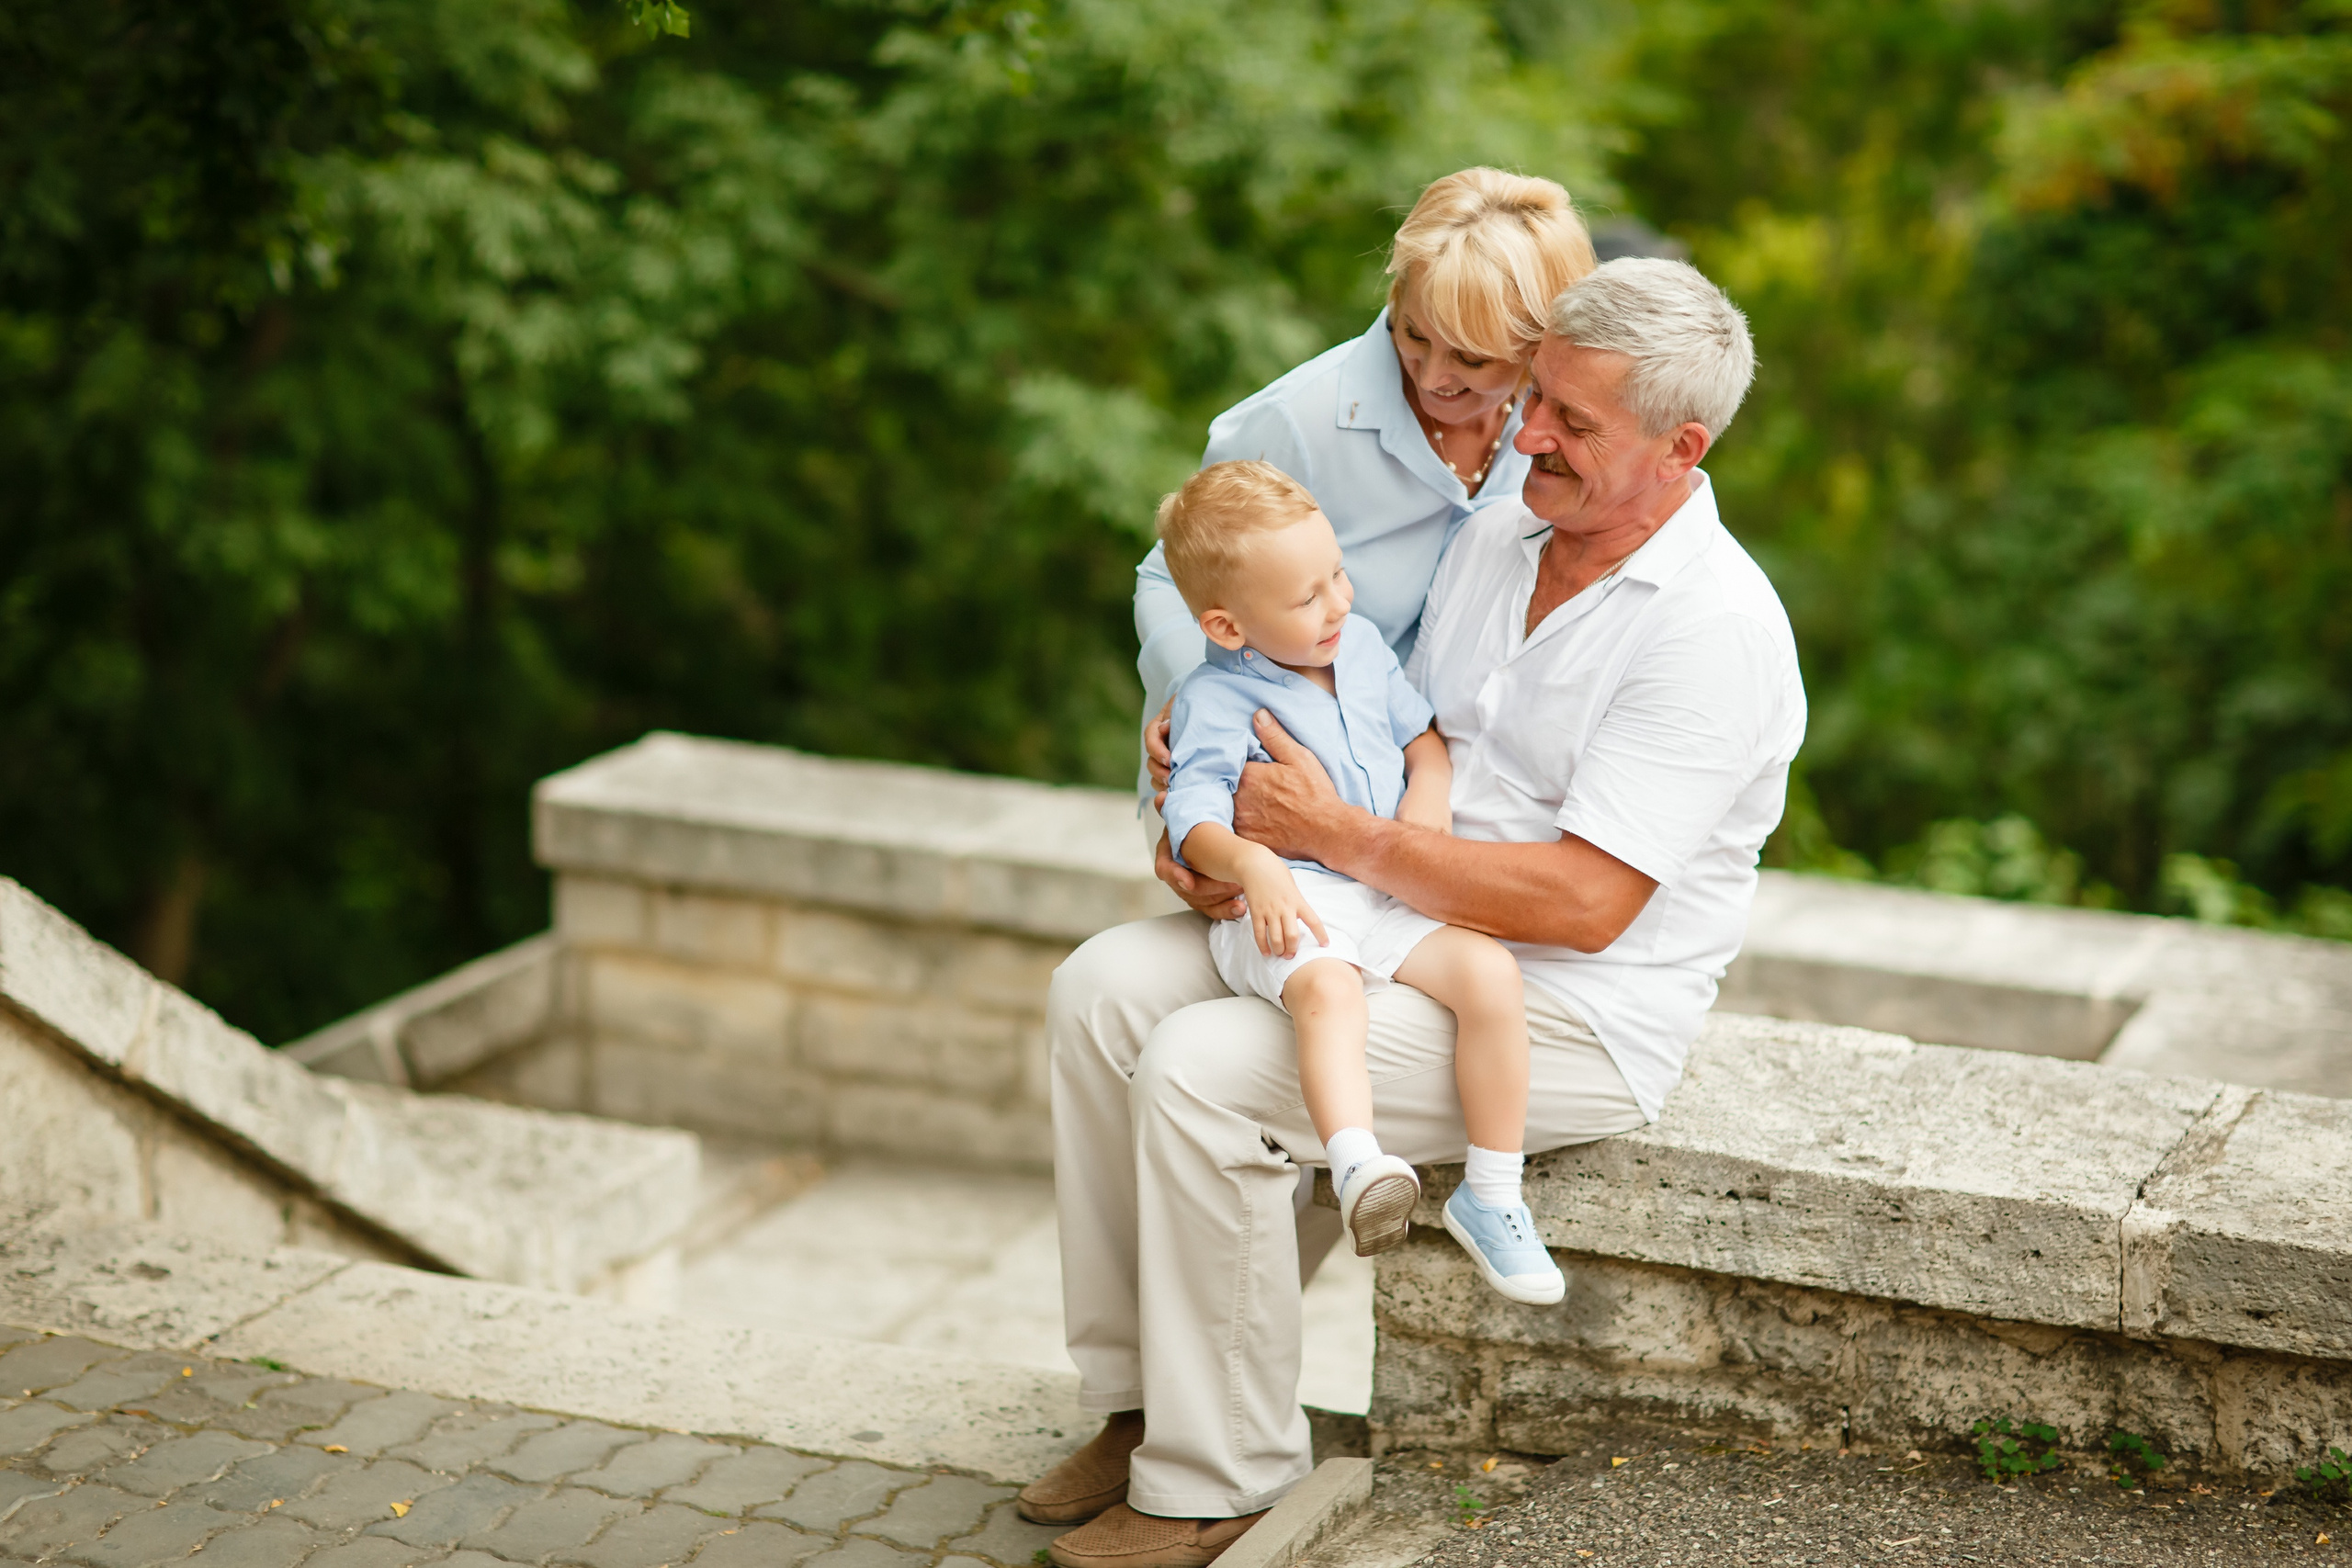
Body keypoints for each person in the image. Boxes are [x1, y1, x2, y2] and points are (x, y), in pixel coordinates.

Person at [1024, 256, 1804, 1568]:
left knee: (1203, 1067)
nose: (1523, 434)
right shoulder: (1505, 532)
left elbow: (1584, 904)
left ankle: (1221, 1476)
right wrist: (1220, 804)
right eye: (1534, 397)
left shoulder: (1713, 629)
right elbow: (1366, 710)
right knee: (1098, 989)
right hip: (1386, 919)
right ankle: (1144, 1399)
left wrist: (1329, 836)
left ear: (1683, 448)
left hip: (1567, 1007)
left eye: (1569, 421)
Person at [1153, 459, 1561, 1303]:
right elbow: (1192, 818)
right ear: (1228, 625)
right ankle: (1356, 1162)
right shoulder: (1214, 698)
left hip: (1382, 892)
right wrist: (1253, 863)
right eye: (1307, 597)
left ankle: (1493, 1192)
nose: (1338, 603)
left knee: (1491, 973)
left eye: (1337, 575)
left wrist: (1430, 793)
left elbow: (1421, 739)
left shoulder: (1362, 647)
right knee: (1331, 992)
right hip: (1289, 898)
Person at [1131, 167, 1598, 811]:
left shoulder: (1557, 435)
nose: (1433, 377)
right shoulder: (1297, 420)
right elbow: (1170, 575)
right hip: (1249, 786)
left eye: (1471, 357)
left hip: (1428, 790)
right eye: (1414, 334)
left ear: (1538, 347)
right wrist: (1190, 689)